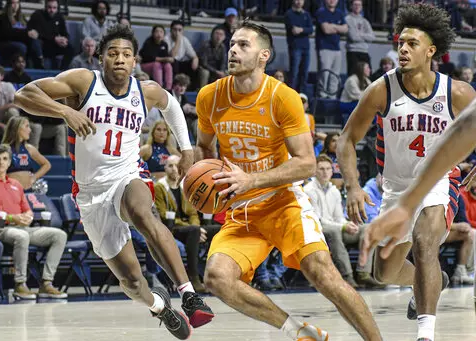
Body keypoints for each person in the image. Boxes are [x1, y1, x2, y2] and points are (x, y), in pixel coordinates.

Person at [14, 24, 213, 339]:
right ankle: (160, 307)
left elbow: (172, 106)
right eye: (113, 53)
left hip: (128, 175)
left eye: (126, 54)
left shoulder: (144, 91)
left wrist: (186, 148)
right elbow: (23, 94)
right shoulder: (83, 81)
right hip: (91, 194)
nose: (120, 59)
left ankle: (189, 293)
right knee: (132, 282)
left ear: (135, 61)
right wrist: (65, 112)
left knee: (142, 212)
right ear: (100, 58)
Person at [195, 21, 382, 341]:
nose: (233, 50)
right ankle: (301, 333)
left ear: (263, 55)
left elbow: (308, 163)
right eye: (232, 44)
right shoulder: (209, 96)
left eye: (243, 45)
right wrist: (206, 182)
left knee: (323, 274)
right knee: (216, 277)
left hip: (284, 203)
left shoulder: (283, 97)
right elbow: (203, 147)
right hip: (242, 210)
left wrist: (251, 179)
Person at [336, 5, 476, 341]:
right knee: (384, 272)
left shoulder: (455, 92)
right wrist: (353, 186)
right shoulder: (382, 89)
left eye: (412, 44)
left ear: (431, 51)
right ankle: (432, 282)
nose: (403, 48)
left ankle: (425, 334)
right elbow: (346, 140)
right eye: (400, 42)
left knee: (426, 242)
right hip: (395, 189)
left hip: (439, 182)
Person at [0, 144, 68, 299]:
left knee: (59, 235)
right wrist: (10, 217)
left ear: (10, 163)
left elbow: (27, 209)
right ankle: (20, 285)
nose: (1, 163)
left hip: (22, 227)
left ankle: (47, 283)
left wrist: (28, 216)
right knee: (21, 236)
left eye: (4, 159)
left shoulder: (16, 185)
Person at [304, 154, 380, 288]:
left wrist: (347, 224)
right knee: (334, 231)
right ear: (315, 171)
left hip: (336, 227)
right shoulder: (309, 190)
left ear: (332, 171)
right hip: (316, 230)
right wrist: (343, 226)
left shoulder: (334, 190)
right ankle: (347, 275)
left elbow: (339, 217)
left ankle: (363, 273)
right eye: (321, 169)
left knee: (368, 228)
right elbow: (318, 219)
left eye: (328, 169)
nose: (325, 172)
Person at [154, 155, 213, 293]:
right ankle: (193, 277)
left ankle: (217, 275)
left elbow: (193, 213)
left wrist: (198, 228)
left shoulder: (185, 185)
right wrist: (194, 229)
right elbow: (163, 214)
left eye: (176, 165)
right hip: (172, 228)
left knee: (219, 229)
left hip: (191, 229)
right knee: (193, 231)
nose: (174, 169)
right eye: (170, 166)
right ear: (165, 168)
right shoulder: (160, 187)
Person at [0, 116, 51, 191]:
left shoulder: (29, 148)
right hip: (11, 192)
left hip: (28, 191)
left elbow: (47, 165)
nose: (30, 130)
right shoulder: (5, 148)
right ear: (17, 128)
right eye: (27, 126)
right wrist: (3, 178)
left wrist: (34, 177)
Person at [0, 0, 44, 69]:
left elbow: (28, 29)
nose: (15, 5)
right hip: (5, 43)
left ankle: (39, 63)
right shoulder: (3, 17)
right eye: (13, 3)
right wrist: (26, 33)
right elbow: (7, 33)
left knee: (36, 41)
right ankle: (20, 68)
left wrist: (32, 33)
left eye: (17, 3)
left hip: (21, 42)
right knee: (22, 47)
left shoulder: (21, 17)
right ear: (9, 4)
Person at [27, 0, 74, 70]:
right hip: (42, 45)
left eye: (54, 8)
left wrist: (65, 39)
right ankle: (39, 70)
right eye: (49, 7)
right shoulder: (37, 15)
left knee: (70, 48)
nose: (52, 10)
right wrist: (54, 39)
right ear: (45, 7)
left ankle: (62, 71)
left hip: (54, 45)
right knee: (36, 43)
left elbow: (65, 33)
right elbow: (37, 35)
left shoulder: (59, 17)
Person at [315, 0, 347, 99]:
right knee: (324, 74)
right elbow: (326, 29)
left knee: (335, 75)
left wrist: (332, 26)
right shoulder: (321, 12)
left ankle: (332, 97)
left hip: (337, 49)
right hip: (324, 48)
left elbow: (345, 29)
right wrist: (338, 28)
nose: (332, 1)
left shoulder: (340, 13)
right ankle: (322, 96)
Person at [284, 0, 314, 93]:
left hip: (306, 47)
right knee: (294, 73)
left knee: (304, 73)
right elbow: (294, 30)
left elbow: (311, 29)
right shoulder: (289, 14)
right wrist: (304, 30)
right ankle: (291, 95)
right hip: (295, 47)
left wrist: (301, 29)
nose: (299, 2)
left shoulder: (307, 15)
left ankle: (302, 96)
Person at [164, 20, 199, 89]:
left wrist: (195, 60)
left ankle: (192, 89)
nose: (177, 32)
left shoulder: (184, 39)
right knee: (175, 62)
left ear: (183, 31)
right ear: (170, 30)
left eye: (180, 30)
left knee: (195, 64)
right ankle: (173, 87)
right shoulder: (166, 39)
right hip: (169, 62)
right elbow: (172, 55)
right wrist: (178, 40)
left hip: (180, 63)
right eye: (175, 29)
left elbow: (194, 55)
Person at [345, 0, 374, 76]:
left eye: (359, 5)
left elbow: (372, 37)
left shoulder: (364, 21)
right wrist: (365, 35)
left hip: (364, 51)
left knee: (368, 75)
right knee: (353, 75)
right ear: (351, 6)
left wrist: (360, 34)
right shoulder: (347, 19)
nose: (357, 6)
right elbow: (353, 37)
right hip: (353, 51)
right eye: (355, 4)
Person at [139, 25, 173, 90]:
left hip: (159, 65)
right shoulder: (148, 42)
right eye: (157, 32)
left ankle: (169, 88)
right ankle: (159, 88)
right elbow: (149, 58)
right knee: (156, 64)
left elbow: (166, 57)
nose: (159, 34)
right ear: (153, 33)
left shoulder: (164, 44)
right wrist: (165, 59)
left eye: (161, 32)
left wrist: (169, 59)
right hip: (145, 65)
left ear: (164, 34)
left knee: (168, 65)